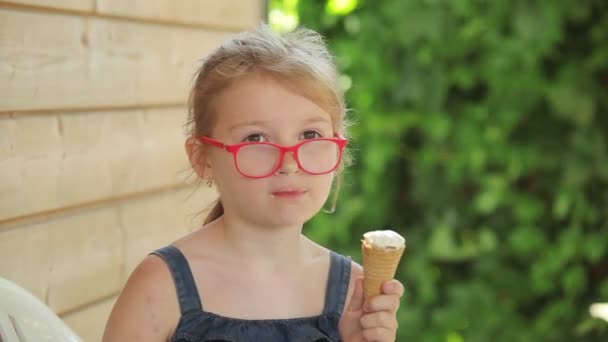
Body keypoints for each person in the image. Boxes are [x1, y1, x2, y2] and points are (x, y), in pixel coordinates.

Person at [102, 24, 404, 342]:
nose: (288, 163)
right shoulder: (160, 286)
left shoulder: (354, 295)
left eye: (310, 135)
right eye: (256, 138)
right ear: (203, 157)